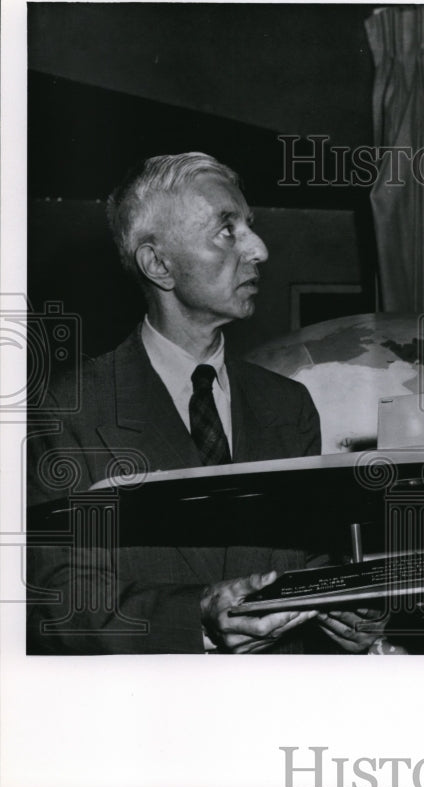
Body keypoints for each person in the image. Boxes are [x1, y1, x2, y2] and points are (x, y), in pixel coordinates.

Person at [26, 152, 377, 653]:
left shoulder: (288, 405)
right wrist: (199, 617)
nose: (259, 249)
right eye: (226, 229)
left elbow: (309, 559)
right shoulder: (67, 411)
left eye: (249, 226)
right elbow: (58, 601)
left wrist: (347, 603)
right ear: (158, 264)